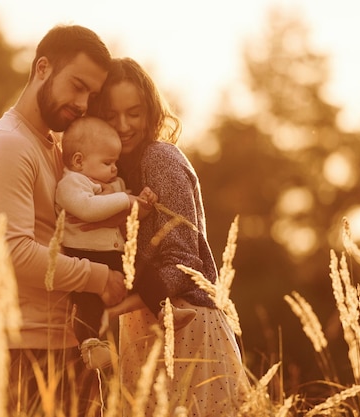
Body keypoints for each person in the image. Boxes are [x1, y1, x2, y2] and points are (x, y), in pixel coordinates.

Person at [0, 25, 127, 416]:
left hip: (64, 344)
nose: (83, 103)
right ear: (42, 68)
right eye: (76, 85)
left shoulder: (55, 148)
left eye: (91, 94)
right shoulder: (7, 145)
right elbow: (13, 253)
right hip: (22, 351)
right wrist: (100, 278)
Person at [87, 57, 251, 416]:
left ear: (151, 112)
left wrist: (111, 302)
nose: (124, 125)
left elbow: (182, 261)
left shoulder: (159, 158)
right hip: (143, 328)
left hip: (189, 325)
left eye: (134, 113)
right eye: (112, 115)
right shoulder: (115, 174)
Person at [55, 116, 197, 370]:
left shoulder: (114, 184)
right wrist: (124, 198)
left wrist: (142, 203)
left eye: (115, 163)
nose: (114, 169)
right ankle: (91, 346)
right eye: (107, 162)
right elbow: (87, 208)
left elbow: (130, 214)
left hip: (114, 253)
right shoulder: (72, 183)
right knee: (87, 302)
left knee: (145, 273)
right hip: (85, 254)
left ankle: (165, 311)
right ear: (78, 161)